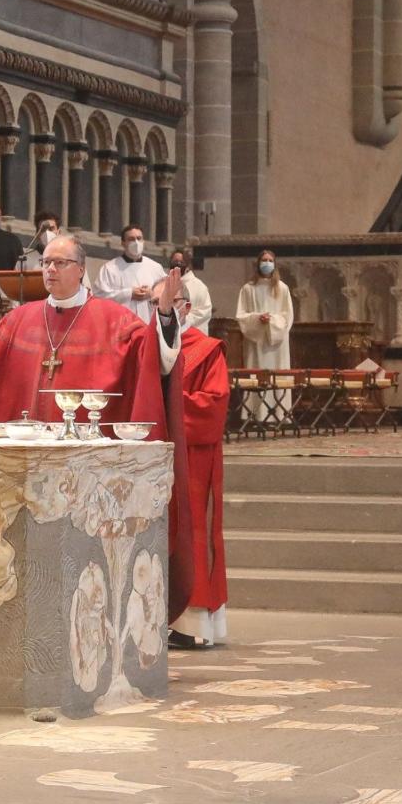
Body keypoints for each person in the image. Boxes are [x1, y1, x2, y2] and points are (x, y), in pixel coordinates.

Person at [0, 231, 167, 426]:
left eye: (60, 263)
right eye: (46, 263)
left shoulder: (115, 319)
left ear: (81, 269)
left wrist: (165, 315)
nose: (50, 270)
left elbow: (150, 356)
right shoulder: (21, 317)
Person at [151, 273, 232, 649]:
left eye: (166, 304)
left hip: (191, 460)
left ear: (184, 308)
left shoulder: (208, 349)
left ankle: (192, 622)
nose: (159, 311)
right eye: (153, 305)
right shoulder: (144, 346)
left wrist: (167, 407)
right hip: (152, 457)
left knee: (192, 530)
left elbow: (213, 406)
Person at [95, 225, 168, 323]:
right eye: (131, 239)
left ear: (143, 241)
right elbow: (99, 297)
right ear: (123, 243)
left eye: (139, 238)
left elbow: (168, 293)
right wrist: (128, 294)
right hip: (120, 326)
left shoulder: (155, 268)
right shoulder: (110, 268)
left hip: (149, 324)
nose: (136, 243)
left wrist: (152, 293)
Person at [235, 250, 294, 371]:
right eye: (264, 260)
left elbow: (288, 316)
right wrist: (257, 319)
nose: (267, 263)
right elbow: (241, 315)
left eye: (270, 261)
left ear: (275, 265)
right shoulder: (248, 289)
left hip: (277, 343)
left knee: (277, 374)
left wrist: (272, 321)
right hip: (256, 340)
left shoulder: (282, 288)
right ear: (258, 264)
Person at [167, 247, 215, 326]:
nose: (178, 264)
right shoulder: (165, 283)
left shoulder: (199, 286)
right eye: (175, 261)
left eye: (181, 262)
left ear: (187, 265)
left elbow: (205, 311)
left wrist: (182, 318)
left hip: (192, 331)